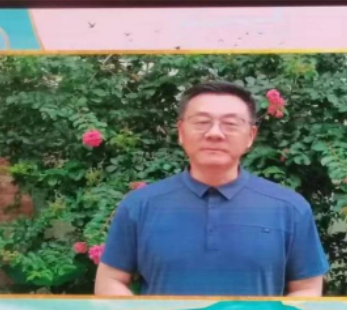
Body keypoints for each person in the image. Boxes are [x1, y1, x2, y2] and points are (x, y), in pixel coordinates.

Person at [95, 82, 329, 296]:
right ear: (181, 132)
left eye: (230, 124)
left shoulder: (289, 207)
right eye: (201, 122)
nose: (214, 133)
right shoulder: (140, 205)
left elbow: (306, 287)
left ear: (250, 136)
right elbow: (111, 280)